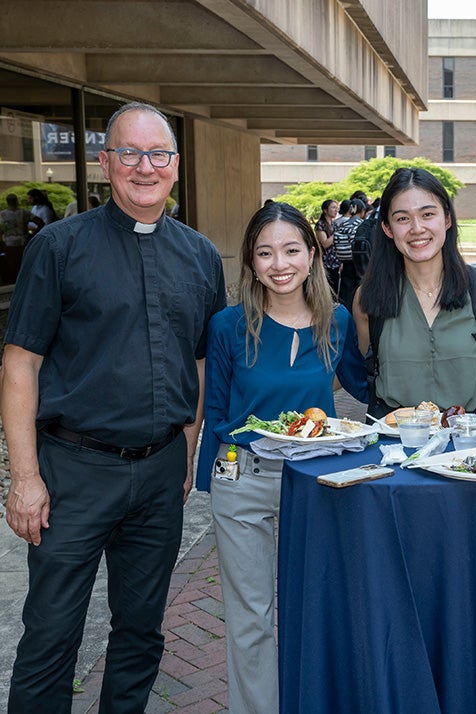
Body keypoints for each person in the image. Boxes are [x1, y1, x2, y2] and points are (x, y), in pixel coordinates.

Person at [2, 101, 226, 713]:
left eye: (158, 154)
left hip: (159, 474)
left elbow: (199, 363)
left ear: (175, 166)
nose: (144, 166)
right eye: (129, 153)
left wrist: (186, 453)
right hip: (73, 472)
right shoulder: (57, 247)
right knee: (51, 635)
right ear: (106, 164)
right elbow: (20, 362)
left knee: (140, 630)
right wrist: (24, 478)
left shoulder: (202, 256)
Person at [196, 201, 367, 714]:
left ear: (313, 254)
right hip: (244, 478)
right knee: (250, 615)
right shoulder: (228, 326)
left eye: (291, 249)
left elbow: (364, 386)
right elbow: (218, 412)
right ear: (250, 261)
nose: (280, 263)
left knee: (315, 608)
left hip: (312, 479)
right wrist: (204, 473)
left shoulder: (335, 321)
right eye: (265, 252)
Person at [354, 166, 476, 417]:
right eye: (402, 219)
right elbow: (353, 371)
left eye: (427, 214)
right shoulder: (369, 297)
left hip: (469, 446)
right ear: (387, 228)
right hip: (394, 448)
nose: (417, 228)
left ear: (447, 219)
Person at [1, 193, 29, 282]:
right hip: (21, 242)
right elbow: (39, 221)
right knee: (21, 265)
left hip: (8, 243)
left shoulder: (2, 214)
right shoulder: (24, 213)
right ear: (17, 201)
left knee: (11, 266)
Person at [314, 198, 341, 291]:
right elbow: (325, 243)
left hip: (336, 262)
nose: (336, 210)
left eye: (337, 208)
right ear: (325, 210)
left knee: (336, 289)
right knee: (327, 289)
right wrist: (336, 234)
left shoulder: (335, 224)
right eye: (333, 207)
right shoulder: (320, 224)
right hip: (325, 262)